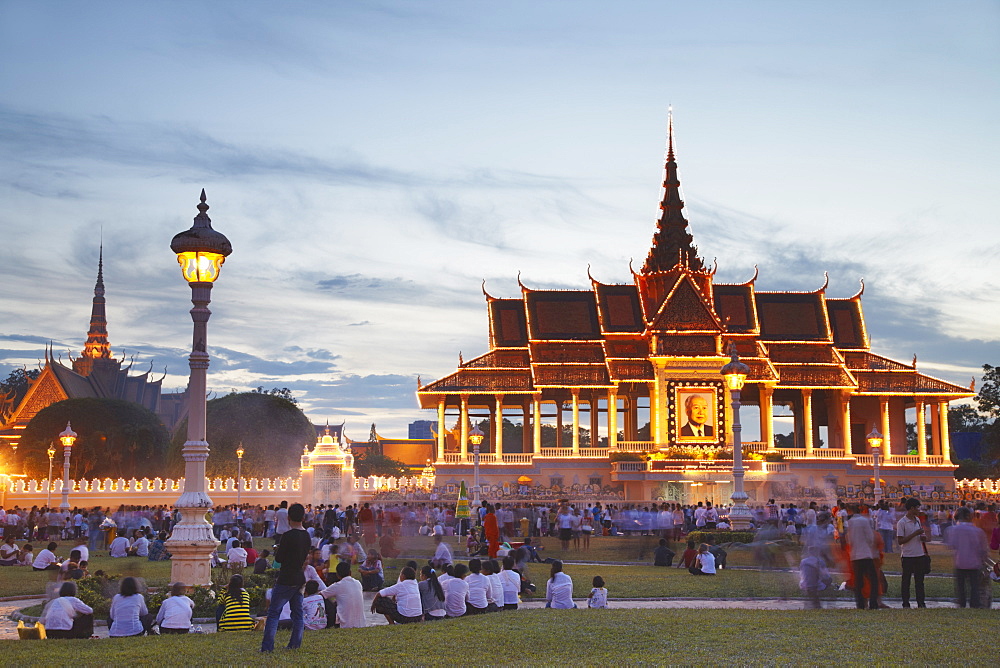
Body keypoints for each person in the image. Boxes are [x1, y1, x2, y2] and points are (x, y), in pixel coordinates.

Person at [262, 503, 311, 652]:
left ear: (288, 517)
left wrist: (278, 550)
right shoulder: (307, 535)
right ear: (303, 517)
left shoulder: (287, 536)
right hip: (299, 577)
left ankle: (267, 647)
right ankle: (295, 644)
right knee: (297, 613)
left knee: (273, 613)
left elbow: (280, 558)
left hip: (286, 578)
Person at [945, 506, 989, 608]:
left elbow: (952, 545)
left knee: (961, 587)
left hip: (960, 562)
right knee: (974, 586)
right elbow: (983, 549)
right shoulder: (978, 531)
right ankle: (974, 604)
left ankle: (962, 603)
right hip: (974, 563)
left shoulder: (953, 530)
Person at [897, 498, 929, 608]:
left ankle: (921, 602)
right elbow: (900, 541)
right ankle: (905, 603)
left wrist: (922, 537)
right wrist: (915, 533)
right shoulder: (902, 522)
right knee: (906, 581)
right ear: (911, 508)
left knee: (919, 581)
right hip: (907, 555)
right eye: (917, 508)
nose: (918, 510)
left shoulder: (917, 520)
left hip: (919, 554)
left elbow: (919, 536)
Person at [846, 504, 879, 610]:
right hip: (865, 554)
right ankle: (873, 603)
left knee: (858, 582)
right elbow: (870, 537)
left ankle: (860, 604)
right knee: (873, 580)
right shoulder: (864, 521)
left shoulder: (850, 523)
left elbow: (849, 540)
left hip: (855, 555)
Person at [320, 561, 367, 628]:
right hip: (361, 624)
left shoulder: (338, 585)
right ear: (350, 572)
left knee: (325, 600)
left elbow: (320, 595)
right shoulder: (358, 583)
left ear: (337, 574)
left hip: (345, 625)